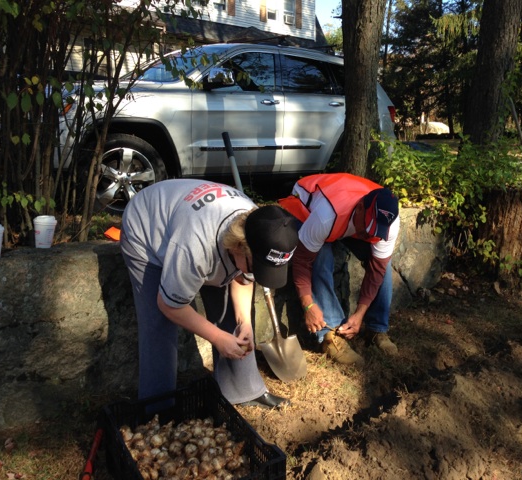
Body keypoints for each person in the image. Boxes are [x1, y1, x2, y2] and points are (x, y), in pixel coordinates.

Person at [120, 179, 299, 409]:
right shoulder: (194, 246)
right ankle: (158, 410)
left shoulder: (261, 229)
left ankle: (243, 390)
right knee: (159, 324)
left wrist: (244, 321)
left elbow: (243, 278)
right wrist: (216, 337)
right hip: (146, 230)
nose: (257, 274)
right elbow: (168, 305)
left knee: (231, 313)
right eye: (257, 267)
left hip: (191, 226)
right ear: (238, 246)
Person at [279, 173, 400, 365]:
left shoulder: (389, 224)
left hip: (345, 217)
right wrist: (308, 305)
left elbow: (377, 270)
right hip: (306, 202)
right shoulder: (326, 216)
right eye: (368, 227)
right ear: (360, 208)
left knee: (382, 264)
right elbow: (303, 261)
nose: (370, 235)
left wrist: (360, 313)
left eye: (375, 231)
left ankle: (376, 329)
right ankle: (330, 335)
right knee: (322, 255)